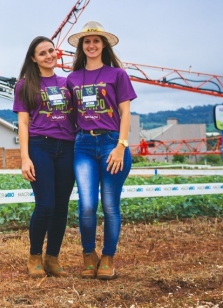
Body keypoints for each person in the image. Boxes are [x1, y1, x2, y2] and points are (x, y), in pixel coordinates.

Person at [66, 21, 137, 280]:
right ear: (81, 47)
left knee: (109, 205)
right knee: (86, 205)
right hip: (83, 145)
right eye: (87, 41)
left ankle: (107, 257)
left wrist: (121, 145)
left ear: (103, 45)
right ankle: (88, 255)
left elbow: (125, 111)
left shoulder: (117, 75)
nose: (92, 45)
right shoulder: (72, 79)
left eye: (96, 41)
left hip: (111, 144)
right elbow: (66, 115)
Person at [13, 36, 76, 278]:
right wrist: (25, 158)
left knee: (61, 207)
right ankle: (34, 256)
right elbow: (23, 123)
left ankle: (53, 258)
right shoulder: (25, 85)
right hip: (41, 147)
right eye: (42, 53)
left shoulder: (67, 83)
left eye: (51, 50)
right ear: (33, 58)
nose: (49, 55)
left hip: (67, 148)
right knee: (45, 204)